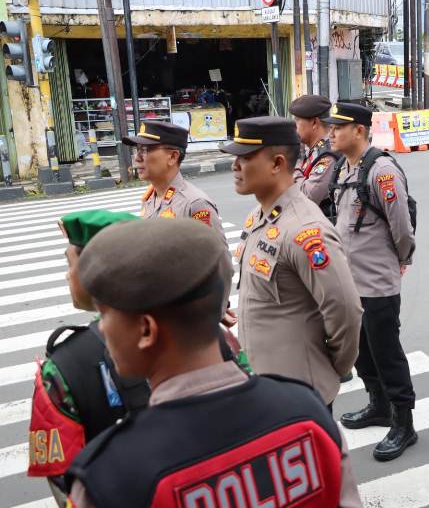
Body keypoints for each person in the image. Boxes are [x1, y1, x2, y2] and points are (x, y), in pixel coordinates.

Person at [65, 218, 363, 508]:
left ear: (146, 330)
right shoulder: (309, 415)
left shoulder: (110, 478)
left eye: (105, 315)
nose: (101, 329)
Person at [221, 116, 362, 409]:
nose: (235, 167)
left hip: (299, 393)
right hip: (265, 386)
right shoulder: (259, 215)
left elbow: (345, 309)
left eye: (244, 158)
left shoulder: (304, 229)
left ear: (277, 163)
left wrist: (331, 367)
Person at [26, 210, 150, 507]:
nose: (68, 274)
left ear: (97, 270)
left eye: (71, 264)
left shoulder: (62, 370)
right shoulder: (205, 336)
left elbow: (62, 480)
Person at [324, 102, 418, 461]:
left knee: (386, 353)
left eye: (337, 128)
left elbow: (401, 228)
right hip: (350, 281)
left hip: (377, 281)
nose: (331, 133)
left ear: (359, 131)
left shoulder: (381, 172)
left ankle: (404, 422)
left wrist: (400, 260)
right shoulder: (345, 167)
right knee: (361, 350)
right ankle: (378, 405)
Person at [122, 121, 225, 240]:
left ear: (172, 157)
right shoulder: (150, 198)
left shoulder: (195, 204)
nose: (137, 158)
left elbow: (216, 256)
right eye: (137, 149)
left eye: (145, 150)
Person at [289, 94, 341, 218]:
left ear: (314, 123)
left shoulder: (327, 156)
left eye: (297, 120)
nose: (294, 126)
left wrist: (295, 162)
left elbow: (306, 198)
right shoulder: (315, 149)